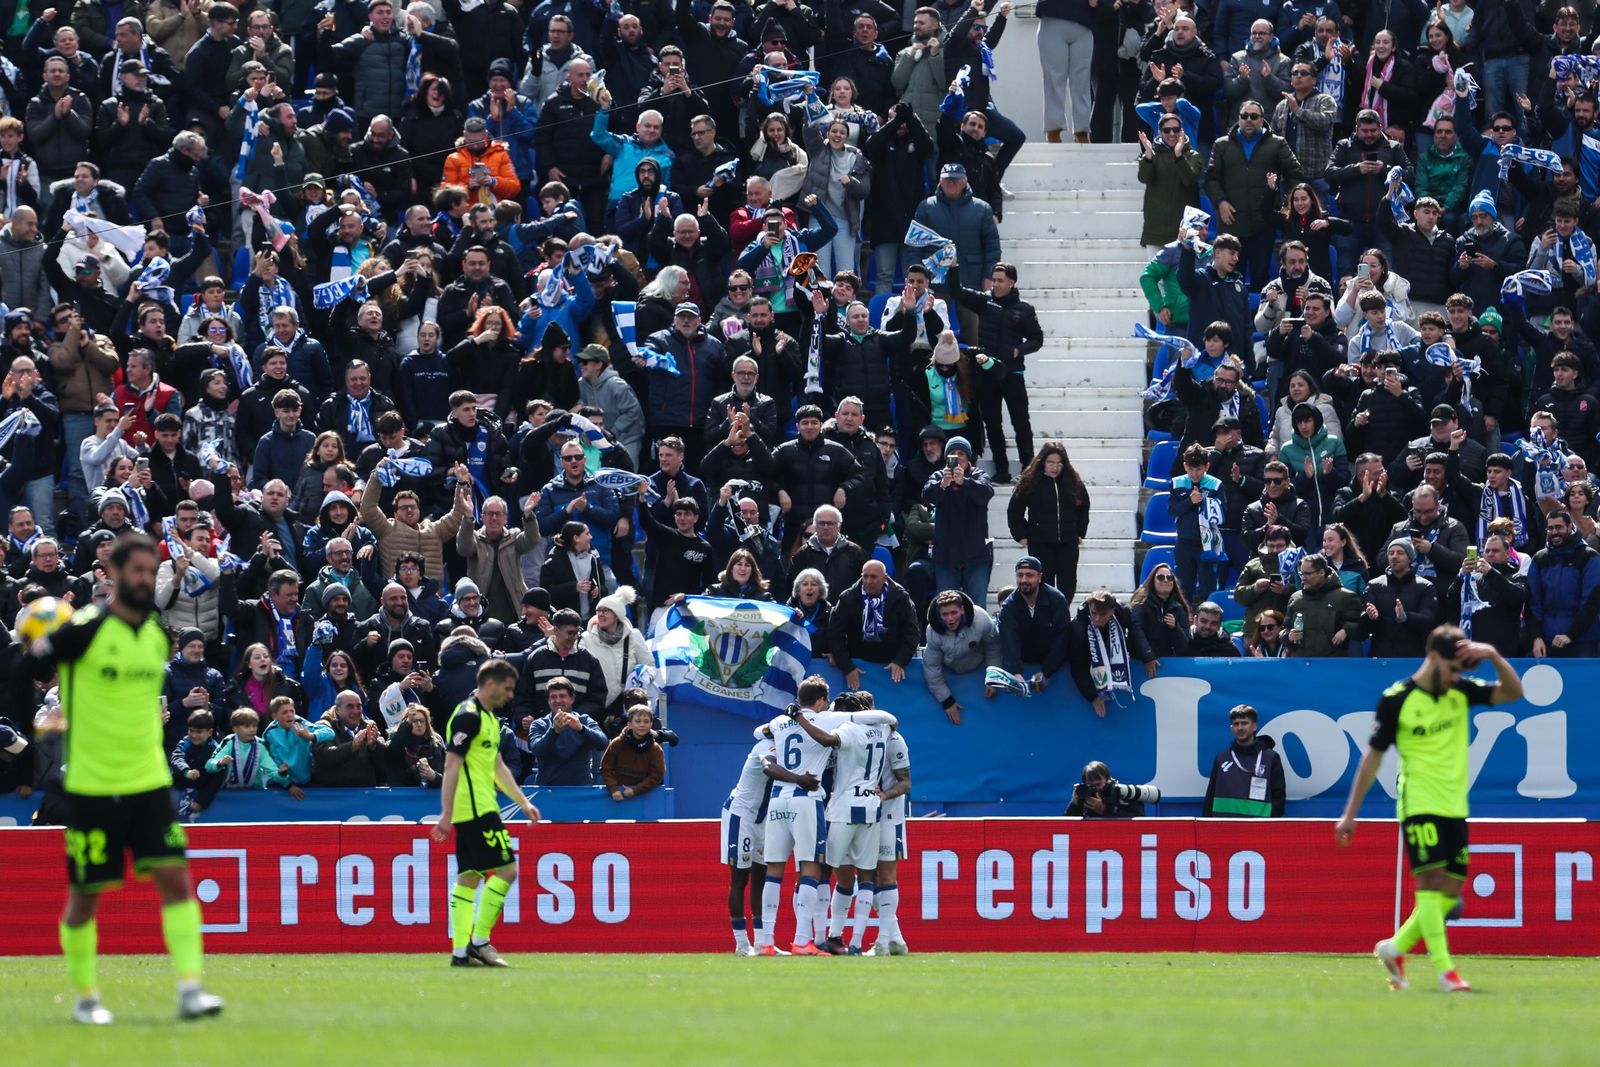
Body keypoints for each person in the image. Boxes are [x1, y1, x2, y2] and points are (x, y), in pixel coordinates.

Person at [26, 532, 225, 1023]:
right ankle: (86, 997)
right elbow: (30, 663)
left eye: (147, 569)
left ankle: (190, 990)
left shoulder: (156, 634)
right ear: (113, 575)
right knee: (86, 895)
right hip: (94, 784)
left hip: (150, 781)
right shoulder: (84, 630)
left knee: (176, 880)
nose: (141, 577)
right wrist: (37, 646)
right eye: (133, 570)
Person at [1336, 624, 1522, 993]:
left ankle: (1395, 947)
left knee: (1450, 893)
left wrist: (1494, 655)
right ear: (1434, 658)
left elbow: (1514, 693)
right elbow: (1372, 759)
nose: (1456, 678)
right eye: (1453, 669)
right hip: (1419, 801)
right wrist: (1350, 813)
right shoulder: (1397, 699)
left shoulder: (1459, 692)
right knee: (1430, 883)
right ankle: (1445, 971)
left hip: (1455, 804)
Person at [756, 676, 897, 956]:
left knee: (774, 871)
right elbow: (885, 716)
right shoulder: (830, 720)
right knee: (811, 868)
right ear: (821, 701)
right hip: (806, 800)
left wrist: (790, 717)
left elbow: (758, 733)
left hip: (777, 800)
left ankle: (765, 941)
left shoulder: (778, 722)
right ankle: (801, 940)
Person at [429, 658, 541, 968]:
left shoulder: (489, 718)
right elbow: (451, 764)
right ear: (489, 684)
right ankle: (479, 941)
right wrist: (446, 812)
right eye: (507, 689)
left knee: (469, 877)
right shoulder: (468, 717)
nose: (510, 695)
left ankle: (461, 951)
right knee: (507, 871)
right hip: (474, 809)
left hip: (481, 806)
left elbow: (496, 766)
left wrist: (522, 802)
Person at [1006, 443, 1090, 601]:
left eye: (1059, 463)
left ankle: (1062, 614)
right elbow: (1015, 510)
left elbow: (1083, 507)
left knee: (1068, 581)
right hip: (1040, 541)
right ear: (1042, 462)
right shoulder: (1030, 482)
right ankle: (1047, 616)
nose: (1055, 467)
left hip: (1068, 541)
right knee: (1044, 581)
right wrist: (1021, 534)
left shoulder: (1073, 482)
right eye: (1051, 463)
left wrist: (1079, 531)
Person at [1525, 509, 1600, 658]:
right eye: (1550, 528)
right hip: (1547, 640)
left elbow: (1591, 602)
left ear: (1570, 526)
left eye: (1559, 527)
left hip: (1583, 640)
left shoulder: (1589, 556)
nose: (1554, 532)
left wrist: (1570, 634)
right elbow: (1533, 601)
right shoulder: (1539, 558)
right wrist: (1536, 636)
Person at [921, 589, 1000, 726]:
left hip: (979, 665)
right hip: (950, 669)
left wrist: (994, 678)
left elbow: (994, 648)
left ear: (962, 610)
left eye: (954, 613)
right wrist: (947, 701)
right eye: (945, 614)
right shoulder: (933, 632)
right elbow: (932, 667)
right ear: (939, 614)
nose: (950, 619)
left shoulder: (981, 619)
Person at [1202, 703, 1286, 817]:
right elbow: (1210, 796)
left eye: (1244, 723)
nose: (1240, 728)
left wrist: (1271, 825)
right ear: (1232, 728)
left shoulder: (1270, 758)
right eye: (1236, 724)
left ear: (1254, 726)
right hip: (1223, 827)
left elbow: (1279, 796)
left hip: (1259, 828)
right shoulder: (1221, 758)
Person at [599, 704, 665, 802]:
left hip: (644, 797)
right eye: (638, 721)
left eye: (646, 721)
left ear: (651, 724)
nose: (642, 724)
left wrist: (635, 791)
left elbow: (657, 775)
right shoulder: (617, 743)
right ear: (629, 724)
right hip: (615, 795)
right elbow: (605, 768)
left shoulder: (655, 749)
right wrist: (613, 789)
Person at [1064, 760, 1146, 818]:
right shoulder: (1085, 796)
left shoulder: (1120, 793)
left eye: (1099, 784)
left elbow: (1138, 821)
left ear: (1107, 780)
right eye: (1091, 785)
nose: (1095, 788)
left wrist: (1104, 810)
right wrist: (1075, 803)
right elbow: (1066, 826)